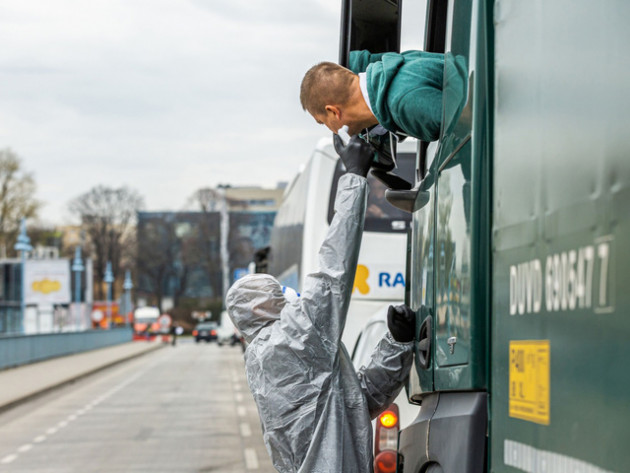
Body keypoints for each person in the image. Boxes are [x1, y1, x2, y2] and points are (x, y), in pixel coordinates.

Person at [226, 136, 416, 473]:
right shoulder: (287, 341)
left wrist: (396, 343)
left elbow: (359, 402)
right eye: (278, 295)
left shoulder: (277, 354)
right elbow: (333, 271)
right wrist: (354, 178)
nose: (289, 299)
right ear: (262, 308)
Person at [300, 50, 445, 143]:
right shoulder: (399, 65)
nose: (332, 131)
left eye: (322, 122)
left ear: (333, 111)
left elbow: (465, 132)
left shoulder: (403, 103)